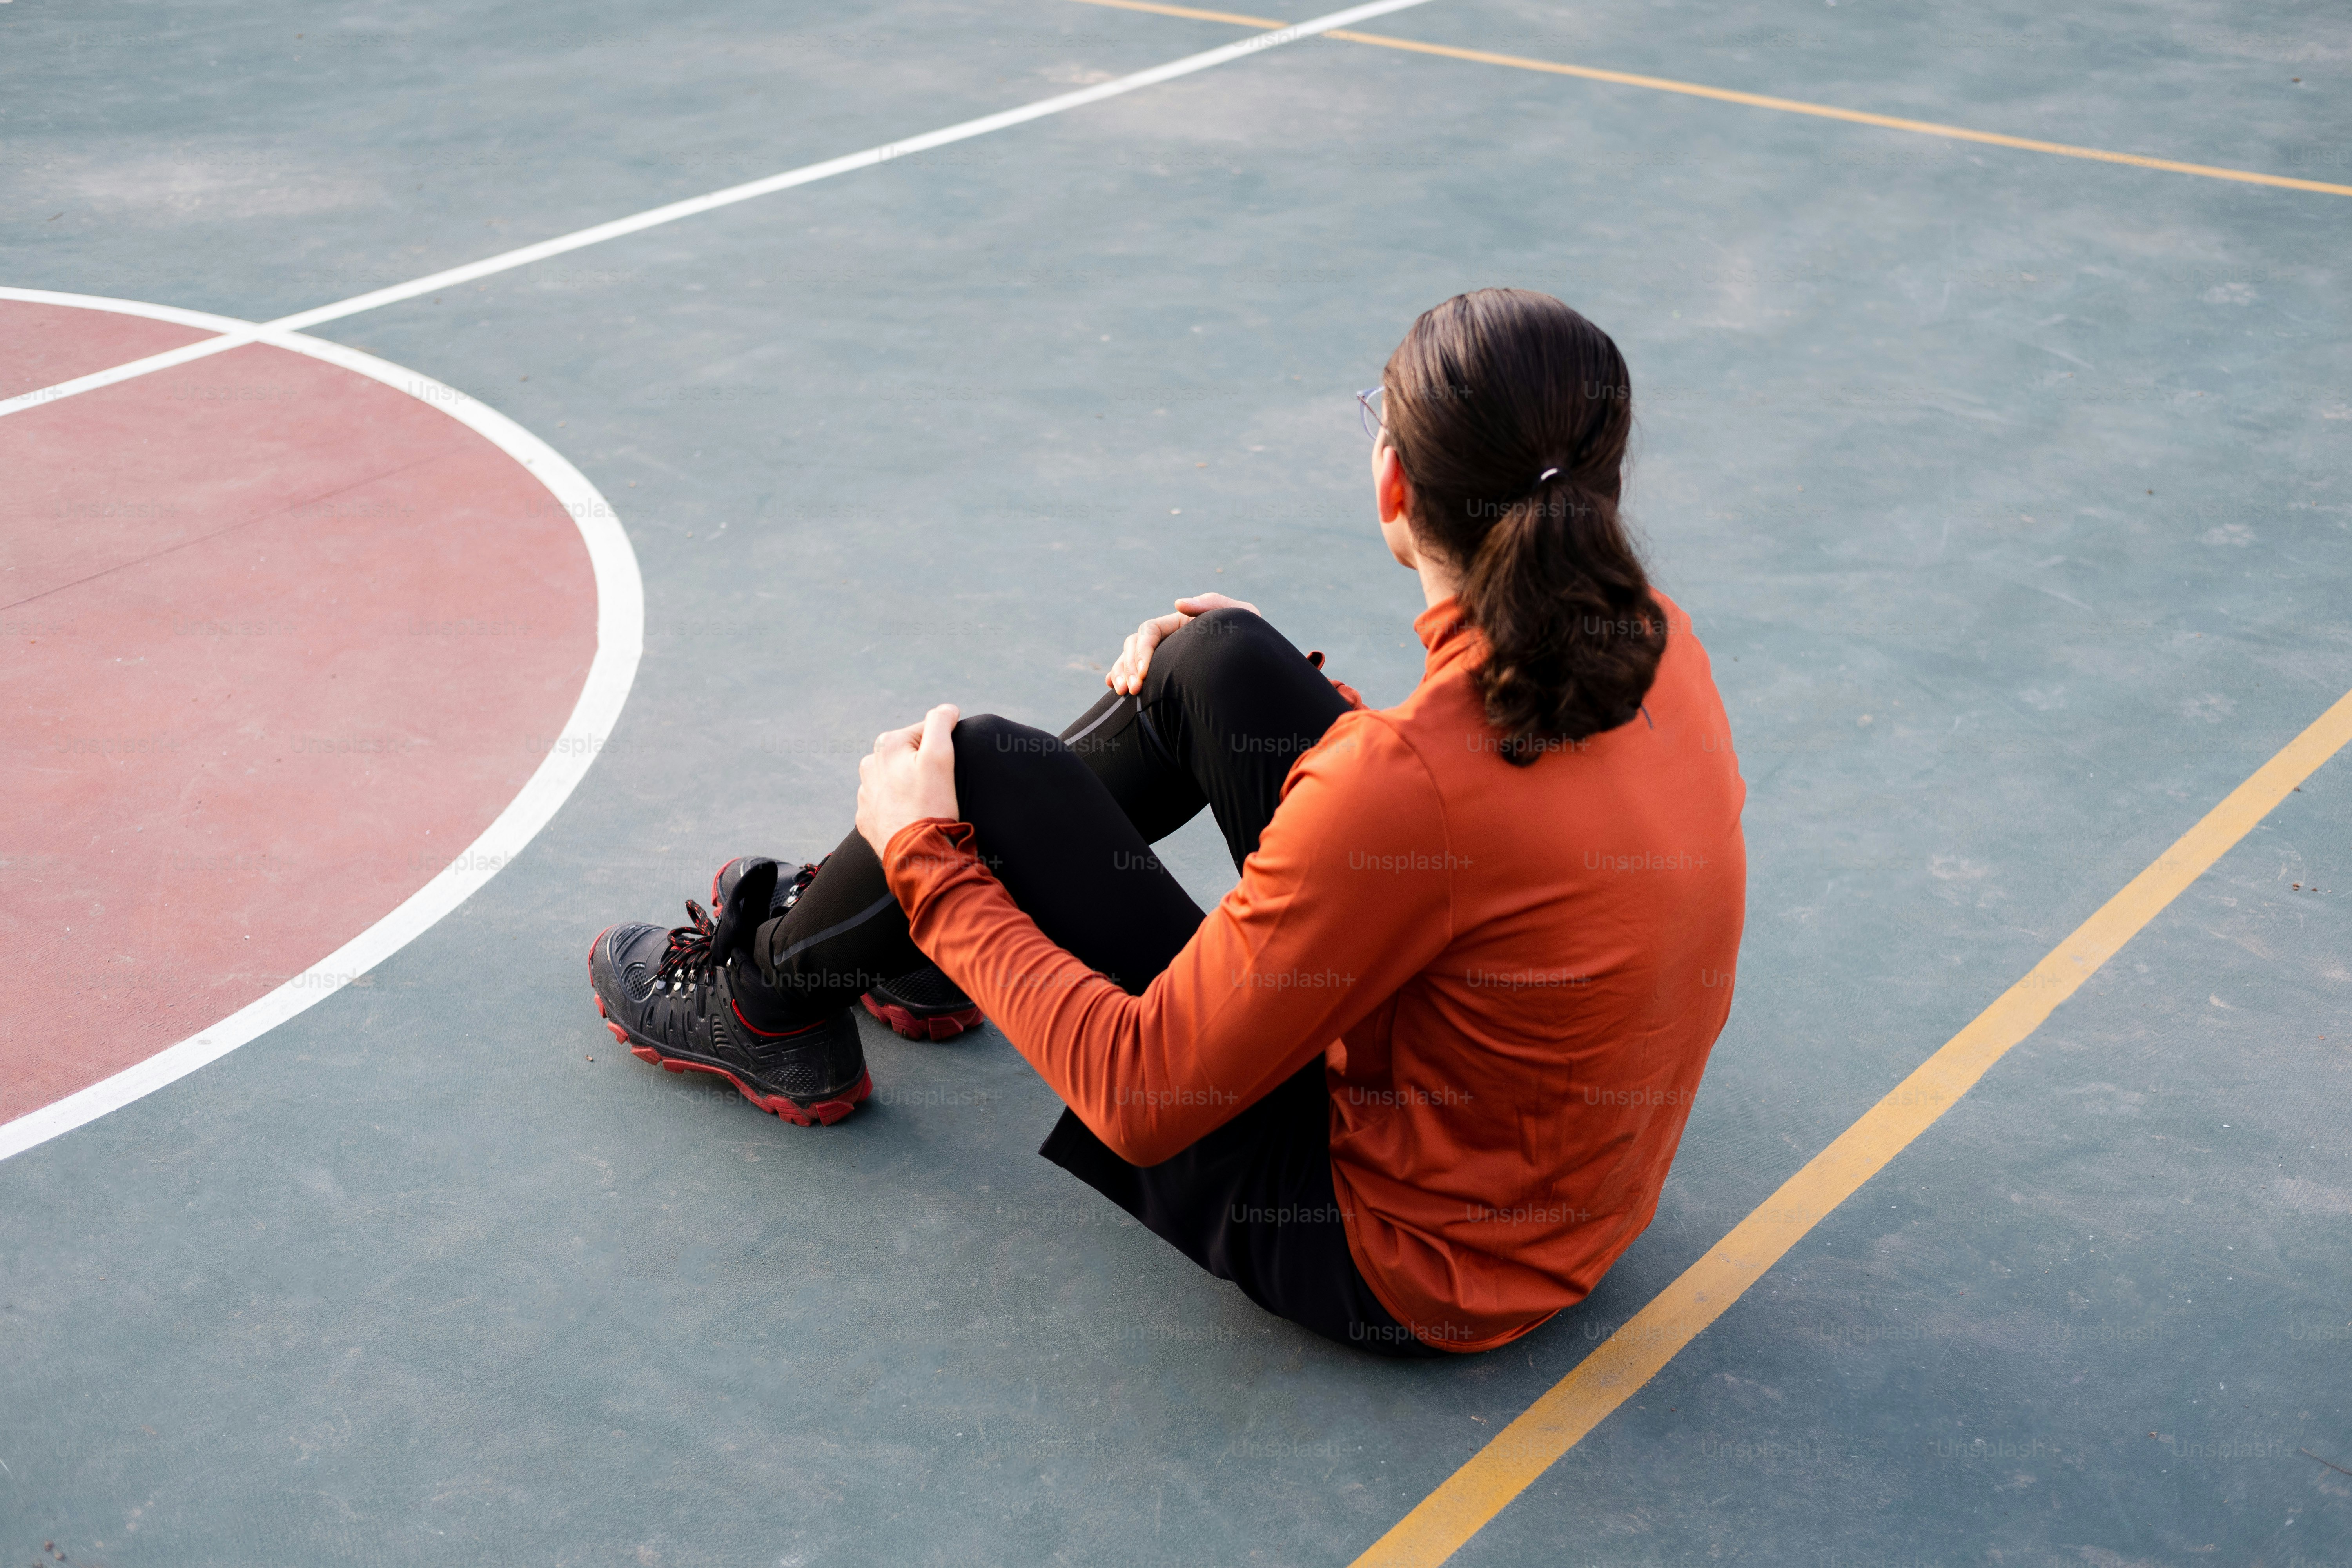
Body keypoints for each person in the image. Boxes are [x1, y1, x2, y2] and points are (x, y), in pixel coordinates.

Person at [588, 288, 1746, 1356]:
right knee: (1216, 661)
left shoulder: (1398, 784)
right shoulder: (1657, 640)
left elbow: (1147, 1099)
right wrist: (1251, 678)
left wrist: (929, 863)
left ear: (1395, 486)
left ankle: (766, 998)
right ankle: (915, 961)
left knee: (977, 769)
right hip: (1557, 1200)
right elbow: (1479, 823)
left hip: (1399, 1261)